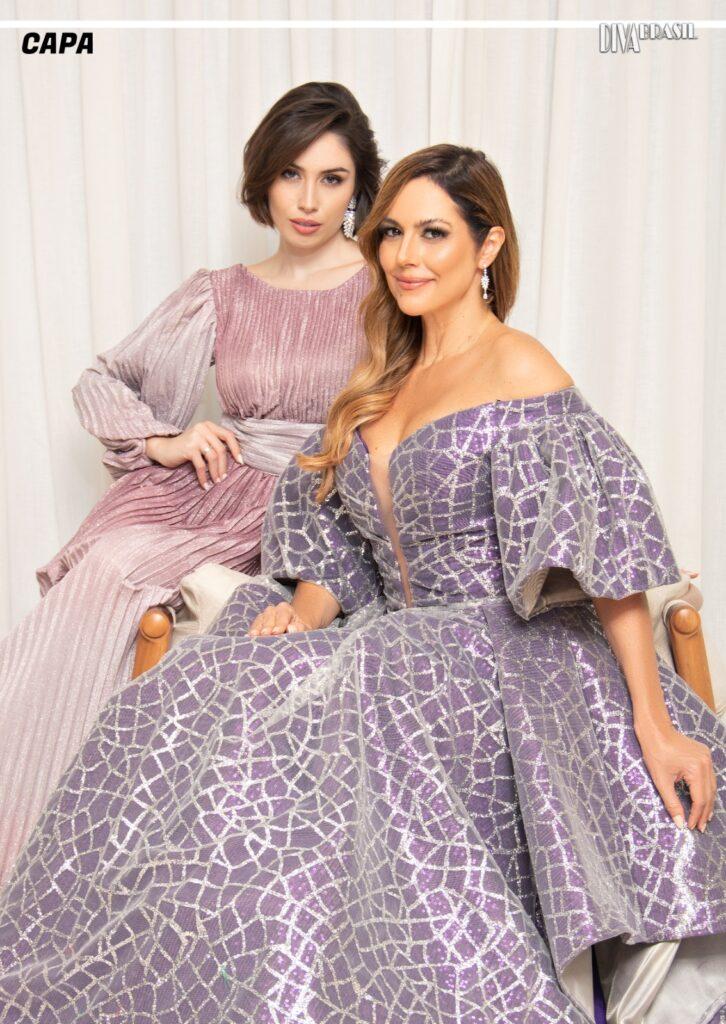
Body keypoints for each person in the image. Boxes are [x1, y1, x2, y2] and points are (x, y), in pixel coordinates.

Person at [0, 144, 723, 1024]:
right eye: (391, 234)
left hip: (500, 646)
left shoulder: (521, 368)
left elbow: (604, 550)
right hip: (390, 631)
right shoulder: (381, 373)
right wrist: (306, 613)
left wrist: (654, 725)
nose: (405, 256)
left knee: (371, 693)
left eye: (434, 234)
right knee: (194, 692)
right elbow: (337, 533)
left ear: (489, 245)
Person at [0, 81, 384, 888]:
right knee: (96, 580)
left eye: (331, 179)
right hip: (208, 492)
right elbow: (102, 379)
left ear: (358, 189)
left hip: (311, 503)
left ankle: (56, 859)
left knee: (120, 573)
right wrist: (167, 438)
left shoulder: (385, 288)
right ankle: (26, 842)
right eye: (291, 174)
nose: (307, 200)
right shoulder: (223, 291)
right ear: (264, 178)